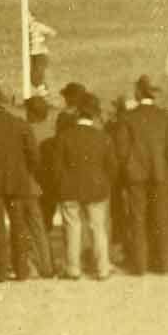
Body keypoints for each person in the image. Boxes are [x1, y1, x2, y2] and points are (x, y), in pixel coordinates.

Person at [0, 90, 52, 281]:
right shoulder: (22, 125)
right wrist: (24, 173)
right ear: (11, 102)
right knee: (19, 228)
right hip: (18, 184)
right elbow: (34, 157)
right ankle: (21, 271)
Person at [117, 78, 168, 274]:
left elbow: (122, 150)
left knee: (138, 219)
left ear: (138, 93)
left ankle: (140, 265)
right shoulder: (166, 116)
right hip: (160, 175)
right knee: (161, 219)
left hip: (136, 176)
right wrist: (166, 171)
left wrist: (129, 168)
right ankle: (165, 264)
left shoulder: (127, 117)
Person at [53, 98, 114, 279]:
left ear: (77, 115)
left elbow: (56, 168)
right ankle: (102, 268)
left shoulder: (64, 136)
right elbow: (112, 166)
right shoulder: (103, 137)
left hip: (69, 189)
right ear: (93, 116)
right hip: (97, 188)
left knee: (73, 227)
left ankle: (73, 269)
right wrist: (105, 182)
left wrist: (61, 184)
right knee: (98, 228)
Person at [26, 15, 56, 94]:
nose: (26, 18)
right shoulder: (26, 28)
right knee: (32, 76)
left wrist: (43, 41)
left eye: (28, 16)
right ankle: (44, 91)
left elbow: (52, 32)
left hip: (41, 54)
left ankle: (44, 93)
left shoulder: (38, 26)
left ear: (33, 17)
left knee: (38, 74)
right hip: (32, 54)